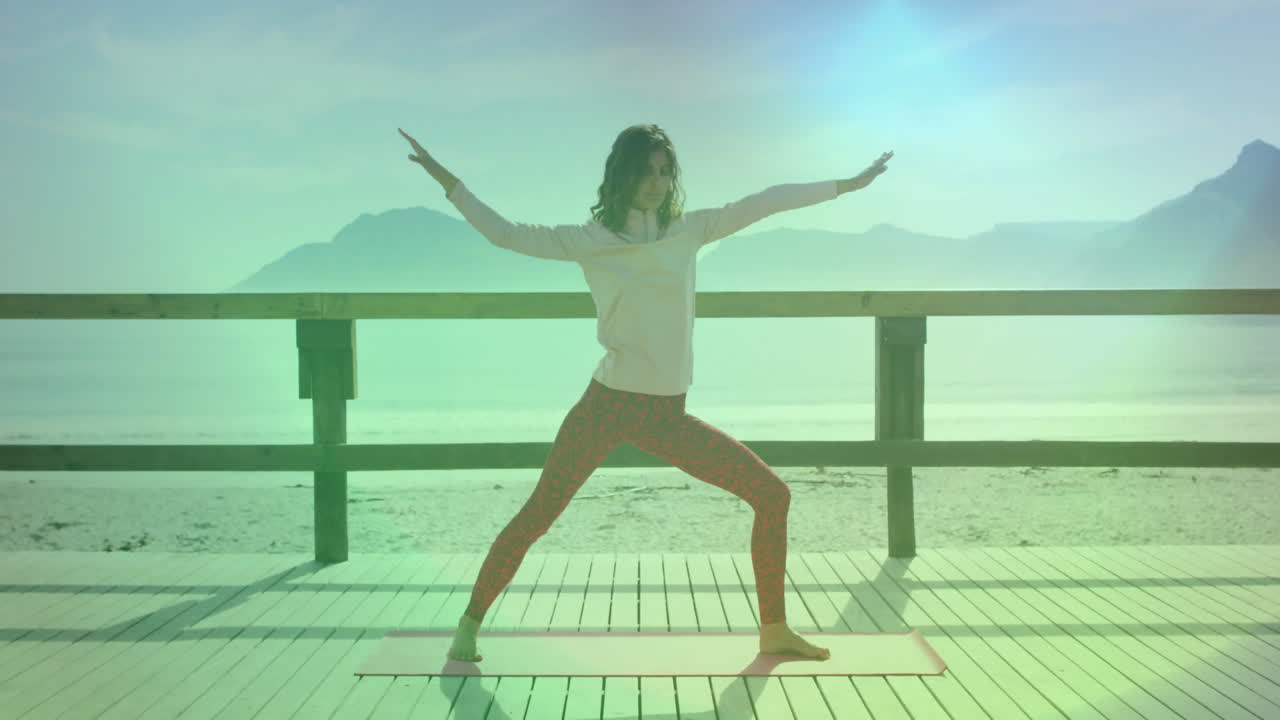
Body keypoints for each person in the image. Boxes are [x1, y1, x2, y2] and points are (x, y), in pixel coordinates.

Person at [398, 124, 892, 663]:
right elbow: (505, 233)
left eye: (664, 171)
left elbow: (765, 202)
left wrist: (847, 184)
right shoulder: (591, 240)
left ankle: (774, 629)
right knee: (540, 512)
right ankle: (469, 624)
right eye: (646, 171)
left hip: (667, 417)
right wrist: (447, 180)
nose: (656, 182)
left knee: (772, 496)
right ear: (623, 175)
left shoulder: (690, 230)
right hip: (607, 407)